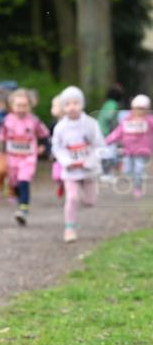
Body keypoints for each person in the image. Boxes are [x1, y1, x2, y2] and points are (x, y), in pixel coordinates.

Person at [52, 86, 105, 243]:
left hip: (88, 169)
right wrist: (66, 161)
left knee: (90, 202)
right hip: (71, 170)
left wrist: (90, 160)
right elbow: (57, 147)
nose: (72, 107)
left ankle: (84, 195)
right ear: (63, 107)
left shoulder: (91, 124)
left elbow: (99, 145)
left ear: (82, 104)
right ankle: (69, 228)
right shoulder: (60, 127)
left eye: (76, 103)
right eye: (67, 104)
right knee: (72, 198)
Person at [0, 89, 50, 225]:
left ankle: (23, 209)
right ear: (12, 106)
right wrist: (0, 152)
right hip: (12, 157)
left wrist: (44, 147)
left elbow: (44, 134)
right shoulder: (7, 120)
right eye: (18, 106)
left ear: (30, 106)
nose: (21, 109)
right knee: (15, 181)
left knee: (24, 179)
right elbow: (1, 137)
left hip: (28, 157)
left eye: (24, 106)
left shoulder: (34, 121)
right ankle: (18, 198)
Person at [105, 94, 153, 198]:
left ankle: (137, 188)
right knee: (127, 170)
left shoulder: (149, 120)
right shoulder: (126, 120)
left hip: (142, 151)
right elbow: (118, 132)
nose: (139, 111)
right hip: (128, 151)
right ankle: (134, 179)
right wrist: (107, 141)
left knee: (138, 171)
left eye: (142, 108)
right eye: (137, 108)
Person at [98, 83, 125, 183]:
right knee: (108, 154)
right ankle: (106, 174)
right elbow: (109, 118)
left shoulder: (107, 103)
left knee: (106, 154)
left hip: (102, 132)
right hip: (107, 133)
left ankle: (107, 173)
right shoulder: (113, 104)